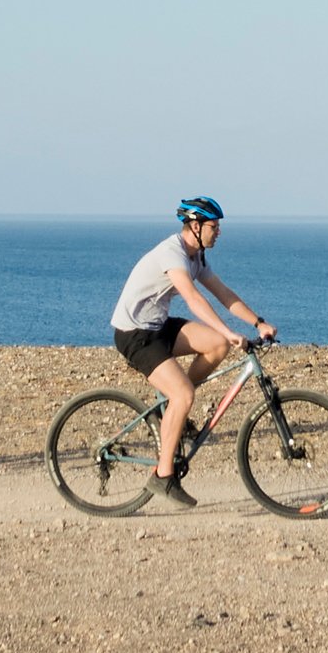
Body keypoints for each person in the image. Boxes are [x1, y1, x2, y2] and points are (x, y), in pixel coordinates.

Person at [109, 197, 273, 507]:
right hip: (135, 334)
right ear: (195, 227)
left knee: (217, 345)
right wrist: (229, 330)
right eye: (215, 226)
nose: (219, 232)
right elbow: (194, 299)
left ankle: (173, 410)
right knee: (185, 394)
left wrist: (258, 322)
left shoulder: (197, 256)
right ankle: (163, 476)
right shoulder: (172, 253)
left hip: (157, 326)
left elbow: (223, 293)